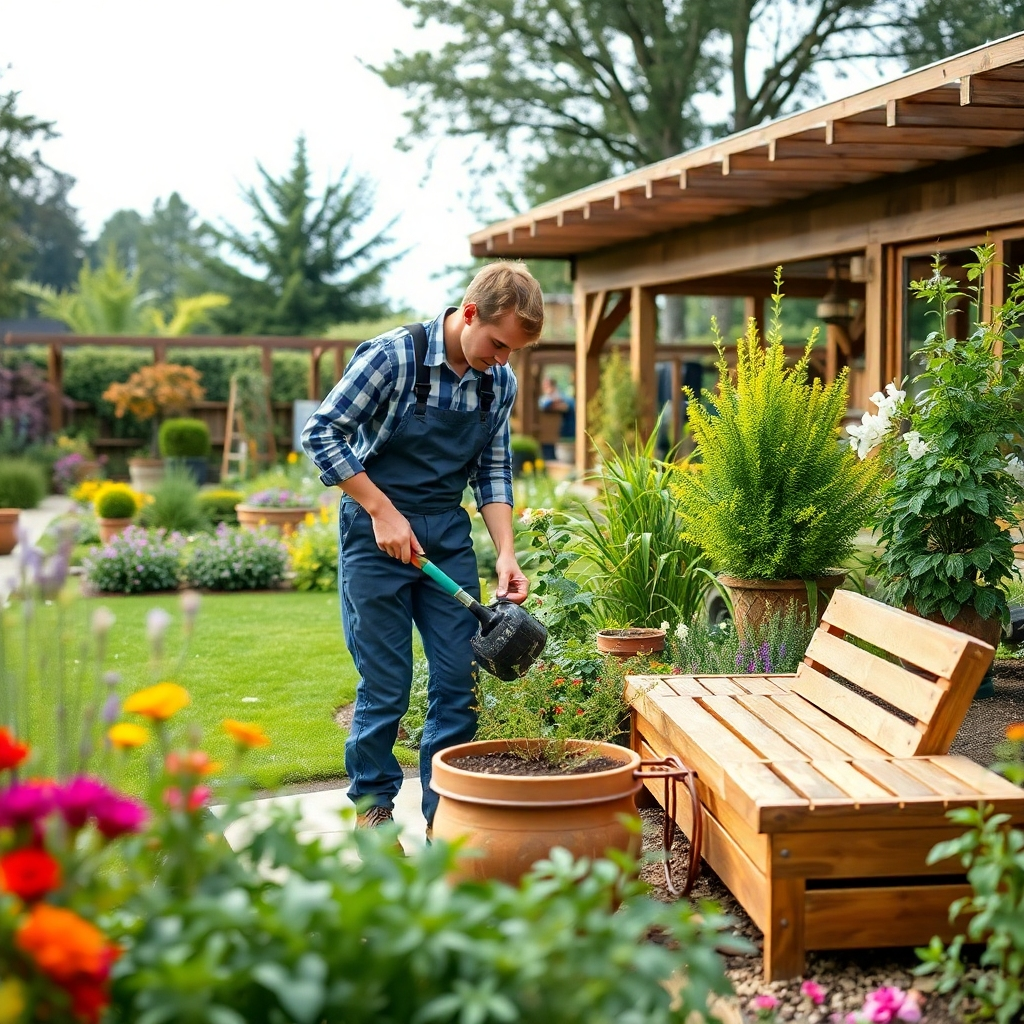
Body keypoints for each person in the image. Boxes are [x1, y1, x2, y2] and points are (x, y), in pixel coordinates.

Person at [301, 262, 541, 835]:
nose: (503, 360)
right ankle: (374, 809)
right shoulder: (393, 357)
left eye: (514, 351)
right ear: (469, 313)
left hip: (446, 537)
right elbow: (321, 433)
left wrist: (505, 551)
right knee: (385, 685)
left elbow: (493, 470)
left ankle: (445, 813)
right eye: (497, 343)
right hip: (374, 535)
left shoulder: (497, 383)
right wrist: (381, 510)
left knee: (458, 682)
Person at [538, 376, 576, 459]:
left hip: (564, 433)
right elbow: (543, 405)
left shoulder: (564, 397)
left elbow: (569, 406)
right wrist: (553, 401)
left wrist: (557, 401)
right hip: (546, 434)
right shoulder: (545, 398)